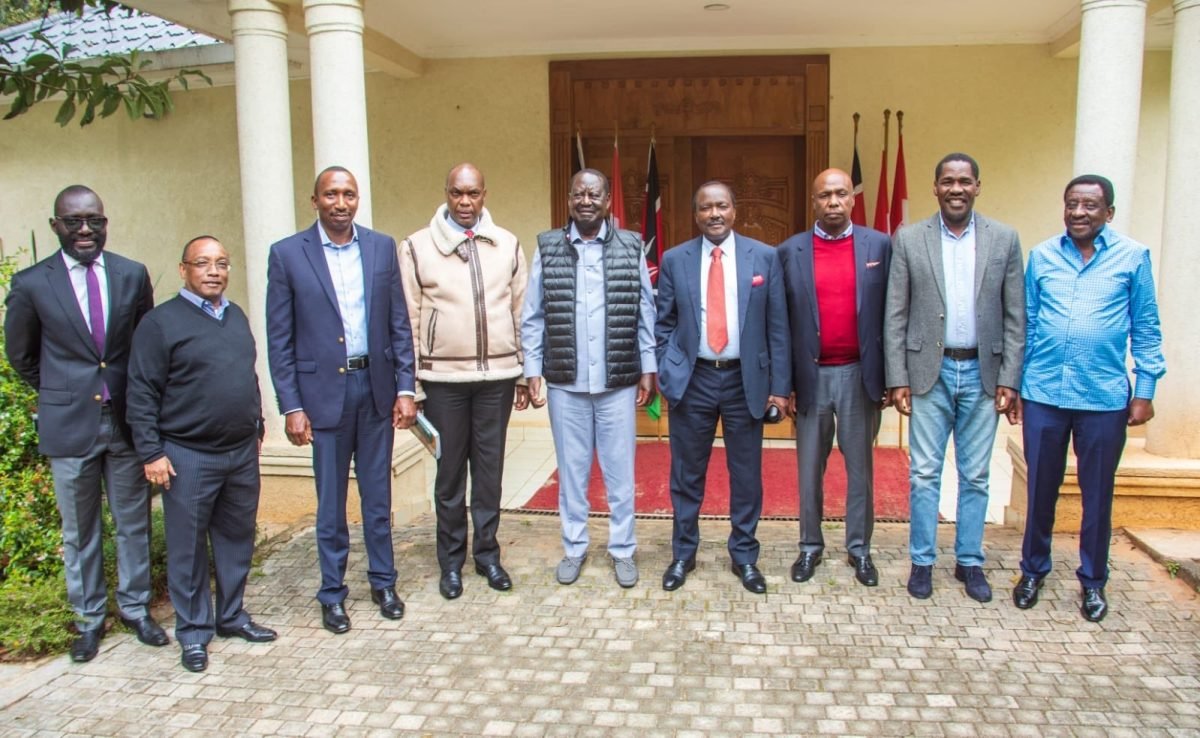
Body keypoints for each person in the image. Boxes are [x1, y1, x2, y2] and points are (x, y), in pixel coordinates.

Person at [4, 185, 165, 663]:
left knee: (133, 523)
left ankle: (136, 610)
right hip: (69, 425)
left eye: (94, 220)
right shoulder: (33, 283)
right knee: (80, 531)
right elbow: (21, 354)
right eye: (73, 221)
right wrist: (59, 391)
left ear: (105, 222)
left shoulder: (131, 275)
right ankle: (89, 620)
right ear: (56, 226)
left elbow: (144, 349)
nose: (85, 230)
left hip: (125, 424)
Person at [266, 166, 417, 634]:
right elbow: (280, 338)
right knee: (330, 503)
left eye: (349, 194)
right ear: (314, 200)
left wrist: (406, 388)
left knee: (378, 495)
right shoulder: (288, 254)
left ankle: (383, 582)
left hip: (374, 390)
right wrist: (291, 405)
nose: (340, 202)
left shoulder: (379, 247)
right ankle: (332, 594)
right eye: (331, 194)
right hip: (321, 397)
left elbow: (399, 323)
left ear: (358, 200)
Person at [1014, 174, 1165, 623]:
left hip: (1104, 399)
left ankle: (1093, 581)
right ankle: (1032, 571)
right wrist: (1020, 386)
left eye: (1090, 206)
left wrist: (1146, 390)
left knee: (1097, 494)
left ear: (1108, 213)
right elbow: (1029, 325)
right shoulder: (1042, 257)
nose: (1079, 213)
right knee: (1041, 488)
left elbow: (1147, 328)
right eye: (1072, 204)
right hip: (1043, 393)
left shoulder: (1133, 258)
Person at [126, 236, 276, 672]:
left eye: (222, 263)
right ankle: (193, 633)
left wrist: (257, 426)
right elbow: (141, 391)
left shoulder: (235, 315)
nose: (214, 271)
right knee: (188, 549)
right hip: (187, 455)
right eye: (203, 263)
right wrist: (151, 452)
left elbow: (246, 374)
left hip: (240, 453)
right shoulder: (160, 324)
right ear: (183, 269)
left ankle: (230, 616)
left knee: (235, 540)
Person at [884, 153, 1024, 604]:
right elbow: (896, 314)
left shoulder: (1004, 239)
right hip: (929, 372)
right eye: (948, 181)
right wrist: (897, 376)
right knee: (924, 473)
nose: (957, 188)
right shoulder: (909, 239)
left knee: (976, 473)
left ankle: (969, 561)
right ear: (936, 188)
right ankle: (922, 562)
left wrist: (1010, 376)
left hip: (984, 372)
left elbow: (1015, 315)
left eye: (965, 181)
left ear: (978, 186)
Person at [399, 163, 530, 600]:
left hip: (497, 378)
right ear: (446, 194)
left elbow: (521, 312)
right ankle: (451, 562)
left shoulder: (507, 245)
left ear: (485, 194)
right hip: (443, 381)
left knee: (490, 473)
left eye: (473, 193)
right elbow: (409, 320)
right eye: (457, 193)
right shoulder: (417, 247)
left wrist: (529, 374)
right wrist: (411, 388)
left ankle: (488, 556)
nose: (465, 202)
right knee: (450, 475)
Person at [520, 168, 657, 588]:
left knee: (620, 474)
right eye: (578, 193)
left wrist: (648, 366)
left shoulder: (630, 245)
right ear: (568, 199)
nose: (585, 200)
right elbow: (533, 316)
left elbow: (644, 312)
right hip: (566, 383)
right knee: (572, 473)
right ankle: (574, 548)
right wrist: (532, 370)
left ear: (607, 201)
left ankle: (623, 550)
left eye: (593, 194)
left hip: (617, 382)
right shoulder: (547, 246)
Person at [655, 181, 791, 594]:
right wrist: (668, 367)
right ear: (695, 215)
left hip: (744, 380)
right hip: (692, 378)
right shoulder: (675, 259)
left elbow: (778, 326)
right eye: (705, 208)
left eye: (722, 206)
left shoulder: (764, 257)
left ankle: (745, 557)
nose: (714, 214)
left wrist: (780, 389)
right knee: (686, 473)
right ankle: (683, 554)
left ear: (734, 210)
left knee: (746, 475)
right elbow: (663, 323)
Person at [778, 169, 891, 588]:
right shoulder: (790, 251)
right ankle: (810, 547)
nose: (833, 202)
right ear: (813, 201)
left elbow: (891, 314)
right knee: (810, 470)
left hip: (860, 376)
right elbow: (781, 323)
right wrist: (784, 382)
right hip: (811, 377)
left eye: (841, 194)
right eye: (824, 195)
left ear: (852, 200)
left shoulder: (878, 245)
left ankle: (859, 549)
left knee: (860, 469)